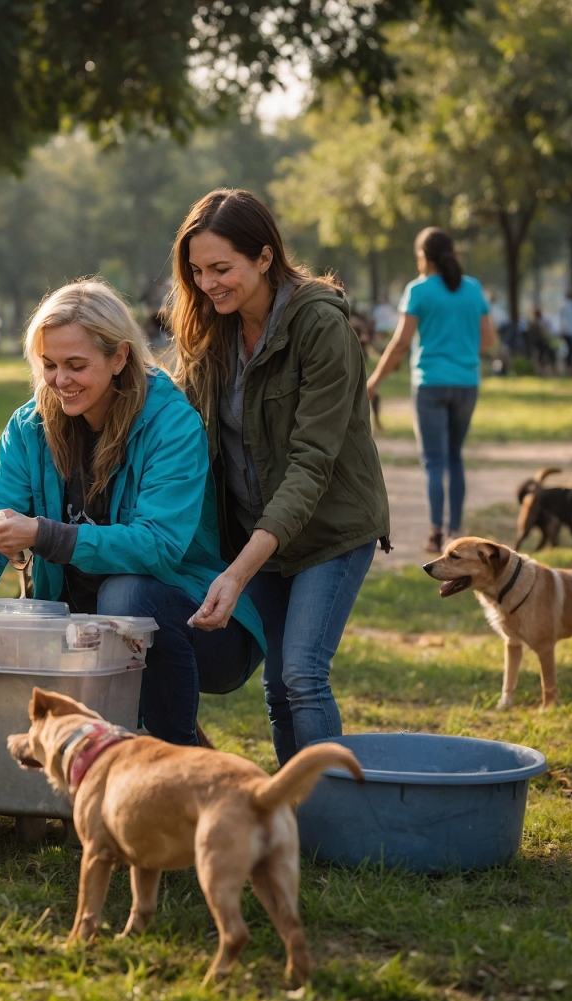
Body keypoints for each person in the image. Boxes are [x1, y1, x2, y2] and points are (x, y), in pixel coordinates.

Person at [0, 280, 266, 746]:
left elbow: (158, 545)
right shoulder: (29, 426)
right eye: (49, 365)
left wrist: (44, 534)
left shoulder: (171, 423)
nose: (60, 381)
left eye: (76, 365)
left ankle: (174, 761)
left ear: (119, 358)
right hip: (81, 625)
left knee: (126, 597)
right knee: (29, 616)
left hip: (204, 623)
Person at [166, 188, 389, 766]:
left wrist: (238, 573)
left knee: (302, 673)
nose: (209, 284)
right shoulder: (212, 330)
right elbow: (174, 424)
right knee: (276, 687)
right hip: (255, 534)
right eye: (196, 272)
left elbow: (311, 462)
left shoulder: (319, 324)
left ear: (265, 257)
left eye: (222, 268)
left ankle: (334, 818)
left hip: (328, 531)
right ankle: (296, 815)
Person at [367, 228, 497, 553]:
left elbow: (400, 344)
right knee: (455, 458)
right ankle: (456, 531)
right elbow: (489, 339)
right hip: (467, 382)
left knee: (434, 461)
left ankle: (435, 533)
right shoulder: (473, 289)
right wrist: (462, 352)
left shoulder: (418, 291)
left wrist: (374, 382)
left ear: (424, 256)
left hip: (430, 383)